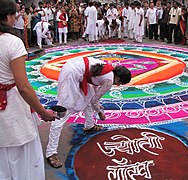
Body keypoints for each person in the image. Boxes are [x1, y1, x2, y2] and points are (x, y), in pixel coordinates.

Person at [0, 0, 57, 179]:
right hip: (12, 108)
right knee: (21, 156)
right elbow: (23, 86)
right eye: (15, 14)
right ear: (8, 16)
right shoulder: (12, 42)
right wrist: (42, 111)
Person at [46, 57, 131, 168]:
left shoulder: (108, 68)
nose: (118, 85)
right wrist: (100, 113)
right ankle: (51, 152)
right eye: (120, 83)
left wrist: (97, 104)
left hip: (73, 66)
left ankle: (89, 125)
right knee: (64, 110)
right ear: (118, 79)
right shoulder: (109, 81)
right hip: (71, 73)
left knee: (89, 95)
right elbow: (94, 100)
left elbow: (94, 93)